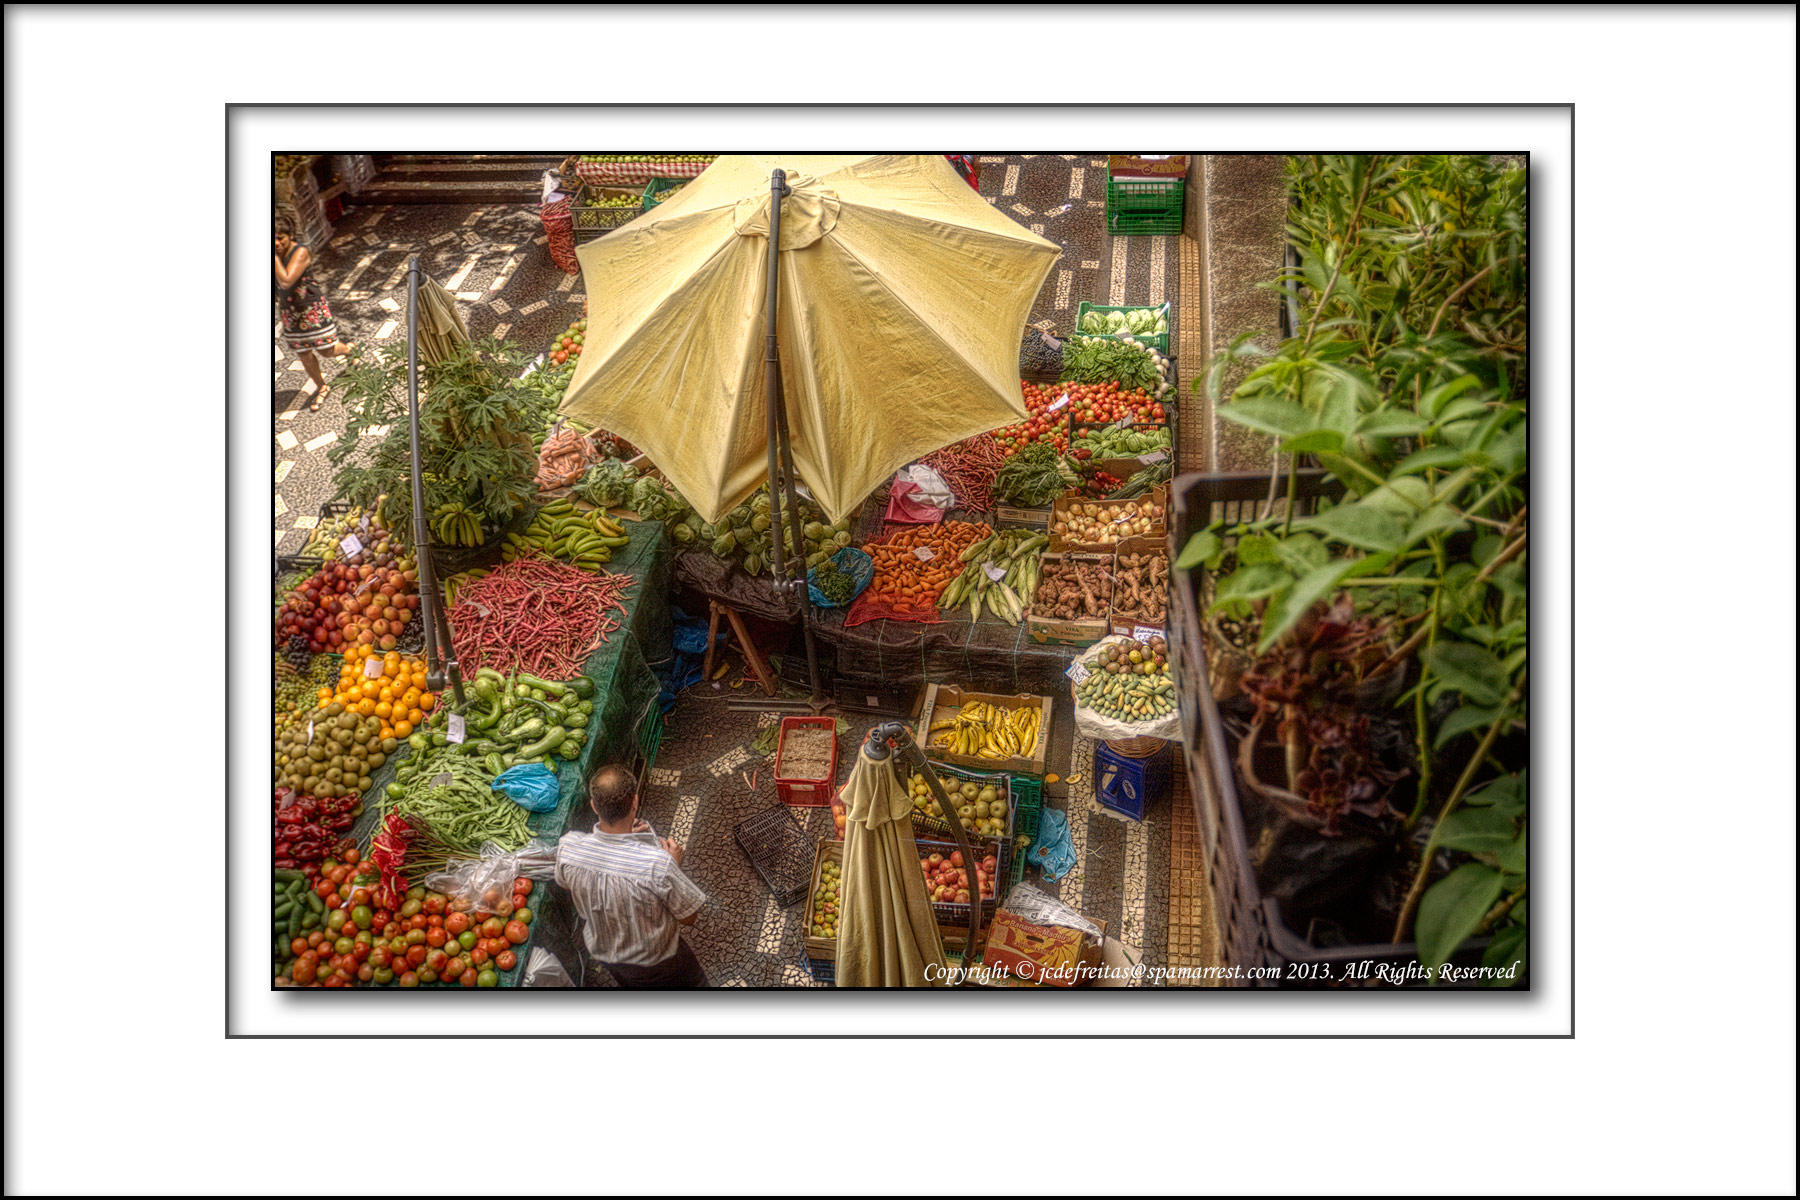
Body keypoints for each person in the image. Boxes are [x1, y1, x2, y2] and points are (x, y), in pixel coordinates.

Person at [555, 765, 709, 988]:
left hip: (610, 958)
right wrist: (674, 864)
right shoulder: (658, 865)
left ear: (594, 806)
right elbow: (688, 916)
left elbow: (567, 883)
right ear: (634, 802)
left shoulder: (568, 848)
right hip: (660, 961)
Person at [274, 216, 354, 411]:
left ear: (290, 236)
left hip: (311, 309)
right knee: (304, 354)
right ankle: (322, 387)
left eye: (280, 238)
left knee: (326, 350)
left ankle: (350, 350)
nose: (276, 243)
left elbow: (286, 280)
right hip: (290, 311)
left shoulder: (300, 252)